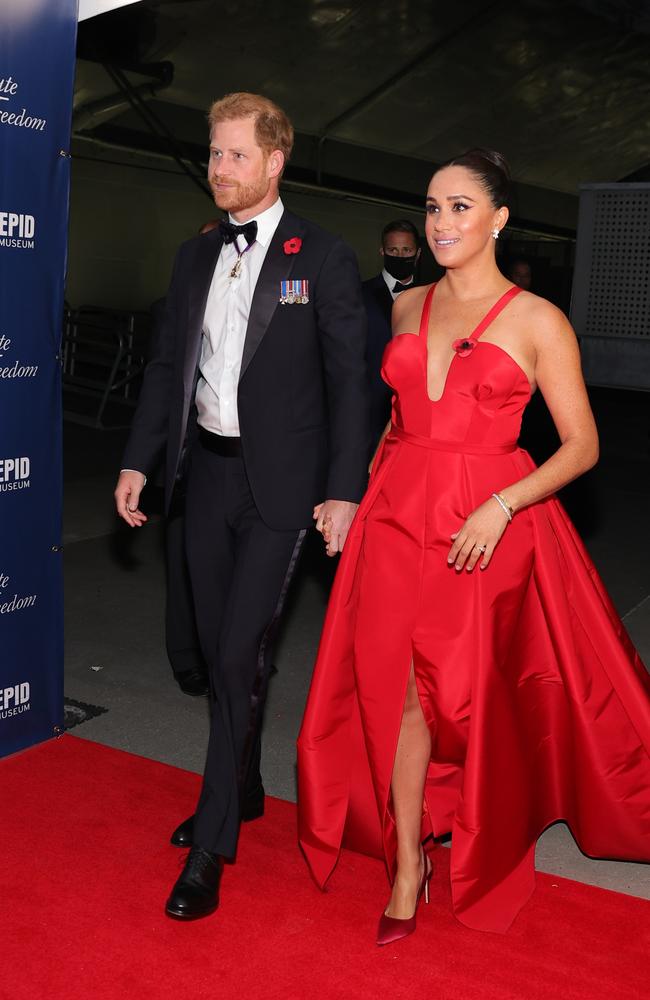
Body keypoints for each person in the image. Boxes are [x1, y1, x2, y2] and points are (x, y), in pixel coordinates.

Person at [297, 148, 650, 942]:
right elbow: (394, 419)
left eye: (461, 207)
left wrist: (502, 502)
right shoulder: (406, 305)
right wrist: (352, 495)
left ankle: (480, 824)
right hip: (395, 515)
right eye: (432, 207)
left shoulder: (537, 319)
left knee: (468, 696)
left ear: (498, 218)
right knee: (399, 690)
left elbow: (581, 445)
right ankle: (407, 866)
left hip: (485, 525)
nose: (442, 221)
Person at [114, 92, 369, 921]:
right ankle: (248, 786)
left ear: (273, 161)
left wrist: (343, 488)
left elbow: (349, 383)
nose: (218, 169)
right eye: (214, 154)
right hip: (204, 477)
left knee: (235, 658)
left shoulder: (321, 257)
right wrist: (138, 462)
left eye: (232, 155)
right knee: (223, 651)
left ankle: (214, 844)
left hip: (283, 491)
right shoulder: (195, 258)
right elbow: (166, 372)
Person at [362, 220, 421, 446]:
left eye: (406, 250)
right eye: (393, 250)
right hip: (369, 411)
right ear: (382, 252)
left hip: (414, 414)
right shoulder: (358, 294)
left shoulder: (433, 298)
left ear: (417, 254)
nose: (400, 255)